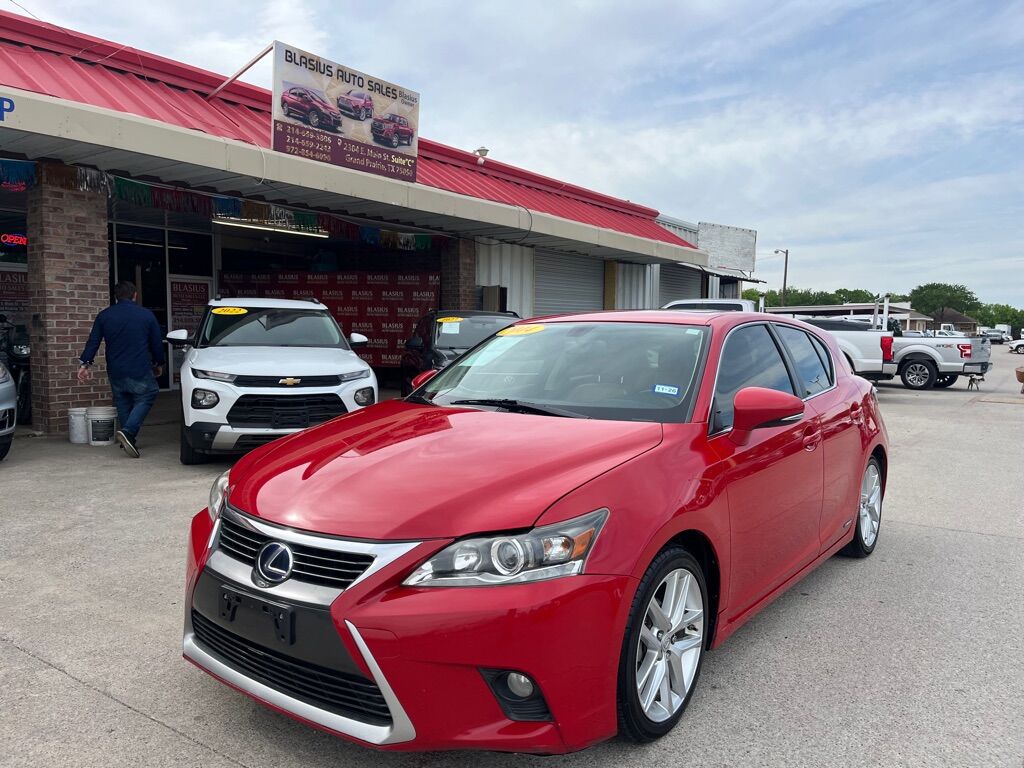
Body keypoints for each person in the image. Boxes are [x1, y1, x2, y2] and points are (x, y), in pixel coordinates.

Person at [77, 281, 164, 458]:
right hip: (139, 367)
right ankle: (129, 433)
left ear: (116, 297)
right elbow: (156, 343)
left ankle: (128, 438)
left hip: (115, 368)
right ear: (135, 295)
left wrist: (85, 364)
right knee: (148, 394)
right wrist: (159, 363)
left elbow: (93, 341)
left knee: (123, 401)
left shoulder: (105, 316)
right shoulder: (146, 315)